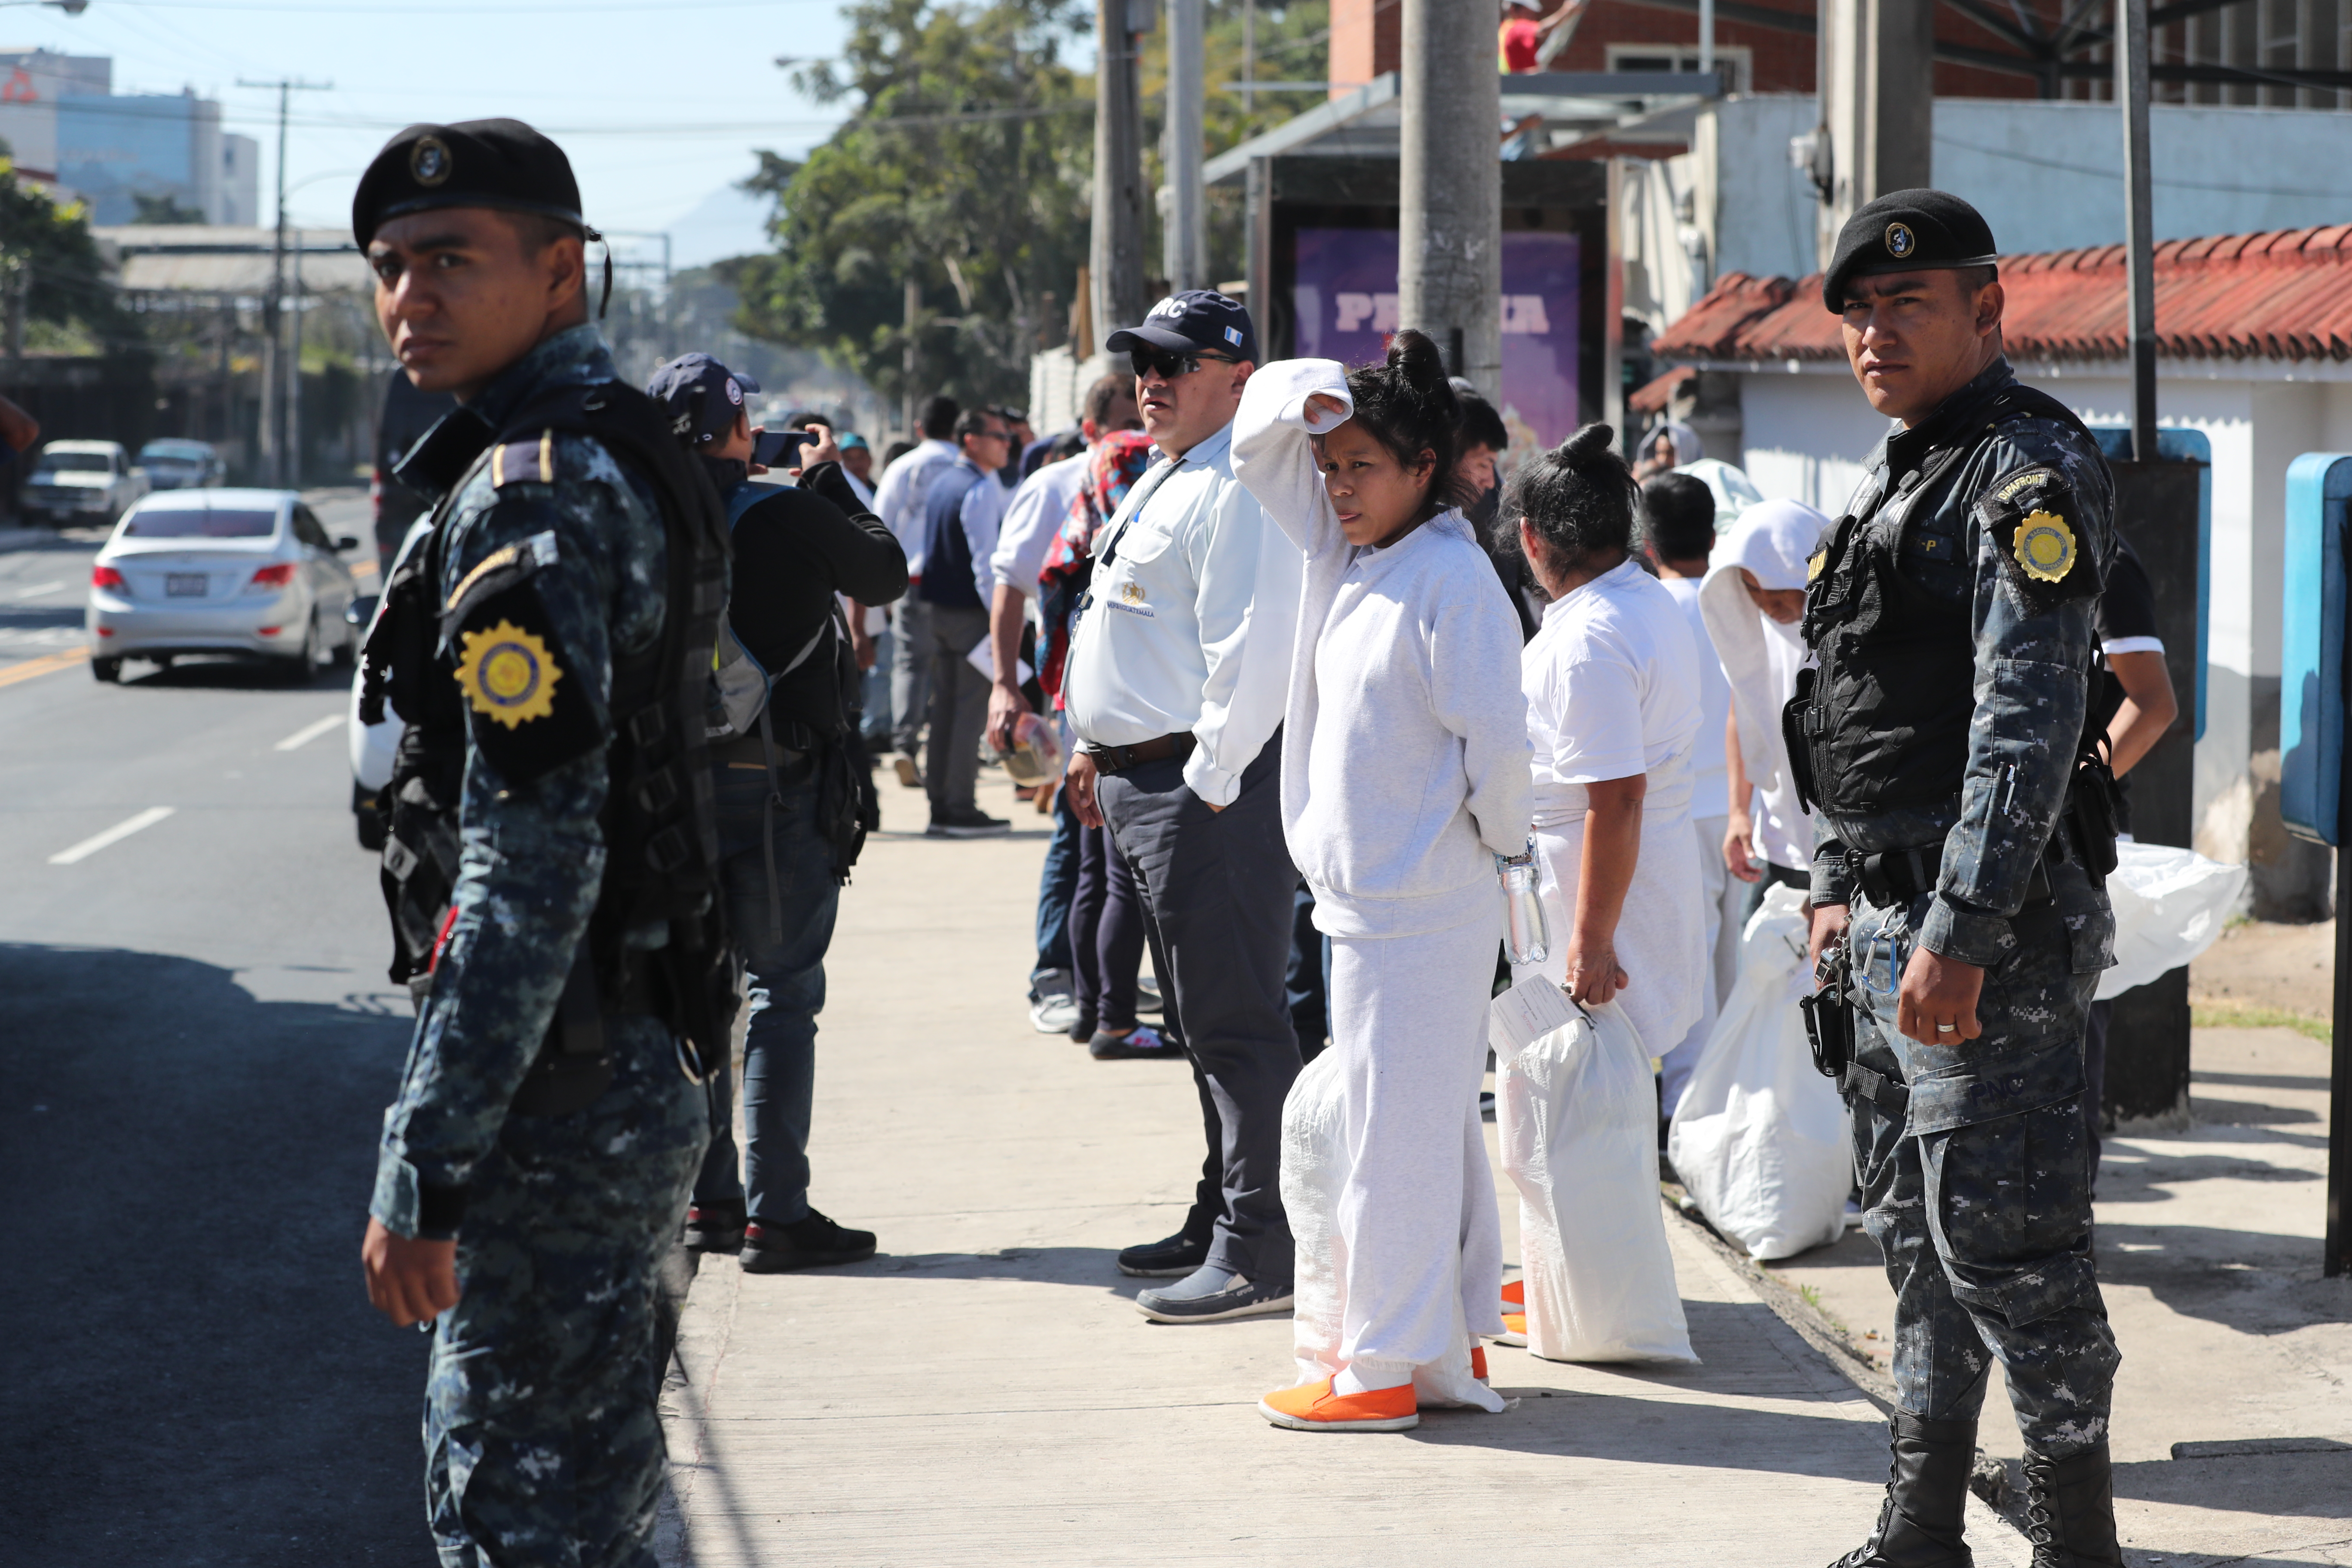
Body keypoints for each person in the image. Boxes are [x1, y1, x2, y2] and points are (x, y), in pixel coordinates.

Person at [350, 119, 734, 1565]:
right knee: (588, 1502)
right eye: (392, 267)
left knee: (520, 1519)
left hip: (558, 1098)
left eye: (452, 260)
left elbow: (531, 866)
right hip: (618, 1064)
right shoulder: (602, 445)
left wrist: (425, 1162)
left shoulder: (533, 491)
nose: (411, 297)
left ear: (561, 273)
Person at [1799, 190, 2123, 1568]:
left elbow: (2027, 725)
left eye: (1908, 305)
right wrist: (1834, 878)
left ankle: (2079, 1541)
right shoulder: (1903, 470)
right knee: (1916, 1244)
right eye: (1860, 313)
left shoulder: (2022, 470)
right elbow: (1843, 701)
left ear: (1987, 311)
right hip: (1886, 915)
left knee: (2013, 1253)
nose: (1876, 333)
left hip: (1985, 931)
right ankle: (1922, 1528)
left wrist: (1967, 928)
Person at [1232, 329, 1530, 1432]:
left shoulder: (1452, 576)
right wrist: (1321, 395)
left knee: (1391, 1147)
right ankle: (1439, 1352)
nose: (1338, 485)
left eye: (1362, 464)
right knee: (1414, 1132)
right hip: (1369, 906)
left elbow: (1502, 750)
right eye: (1331, 465)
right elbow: (1255, 443)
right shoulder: (1351, 553)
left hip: (1423, 907)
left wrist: (1493, 849)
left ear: (1424, 467)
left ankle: (1381, 1373)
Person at [1061, 289, 1305, 1320]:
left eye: (1177, 364)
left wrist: (1204, 790)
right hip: (1147, 781)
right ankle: (1222, 1216)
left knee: (1236, 1024)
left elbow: (1250, 660)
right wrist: (1094, 745)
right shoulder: (1173, 472)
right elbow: (1135, 631)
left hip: (1202, 790)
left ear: (1239, 379)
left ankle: (1260, 1246)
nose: (1150, 381)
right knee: (1203, 1025)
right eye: (1144, 364)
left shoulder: (1239, 484)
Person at [647, 353, 906, 1274]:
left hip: (674, 795)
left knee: (699, 996)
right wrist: (829, 479)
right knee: (782, 992)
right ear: (737, 431)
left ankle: (711, 1201)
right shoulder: (787, 510)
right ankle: (777, 1214)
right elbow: (884, 574)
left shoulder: (641, 520)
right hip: (780, 785)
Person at [1510, 425, 1706, 1090]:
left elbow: (1618, 797)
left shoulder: (1589, 638)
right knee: (1596, 1096)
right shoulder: (1642, 598)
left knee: (1582, 1100)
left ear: (1531, 538)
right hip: (1636, 876)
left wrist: (1593, 941)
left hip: (1601, 905)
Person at [986, 373, 1144, 1037]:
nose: (1136, 439)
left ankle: (1099, 994)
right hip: (1078, 698)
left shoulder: (1160, 477)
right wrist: (1006, 683)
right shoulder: (1058, 486)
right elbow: (1009, 584)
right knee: (1079, 848)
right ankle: (1063, 981)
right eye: (1125, 426)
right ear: (1090, 430)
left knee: (1097, 859)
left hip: (1113, 696)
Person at [1041, 422, 1173, 1058]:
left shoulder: (1086, 540)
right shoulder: (1132, 544)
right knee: (1118, 882)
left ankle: (1092, 1011)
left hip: (1083, 719)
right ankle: (1116, 1021)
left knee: (1092, 874)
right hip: (1114, 731)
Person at [2079, 536, 2177, 1188]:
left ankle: (2069, 1224)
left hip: (2075, 848)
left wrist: (2074, 788)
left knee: (2071, 1043)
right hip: (1979, 840)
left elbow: (2153, 704)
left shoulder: (2100, 557)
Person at [1642, 471, 1737, 1119]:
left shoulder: (1648, 609)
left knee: (1689, 962)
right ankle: (1734, 1099)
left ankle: (1687, 1105)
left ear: (1648, 544)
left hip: (1675, 809)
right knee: (1737, 963)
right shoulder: (1738, 602)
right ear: (1712, 537)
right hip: (1743, 807)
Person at [1703, 499, 1829, 923]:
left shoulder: (1851, 631)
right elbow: (1743, 715)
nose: (1764, 603)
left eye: (1774, 586)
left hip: (1845, 844)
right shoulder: (1760, 636)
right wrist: (1739, 813)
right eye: (1751, 590)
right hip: (1779, 835)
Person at [916, 406, 1016, 837]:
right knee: (969, 713)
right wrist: (1001, 621)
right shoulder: (978, 488)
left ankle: (942, 805)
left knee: (946, 711)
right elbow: (986, 569)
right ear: (971, 439)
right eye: (999, 436)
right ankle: (958, 808)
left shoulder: (945, 481)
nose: (1007, 444)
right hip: (970, 616)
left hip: (940, 612)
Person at [872, 395, 962, 787]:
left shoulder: (902, 467)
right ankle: (947, 754)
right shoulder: (966, 467)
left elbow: (878, 525)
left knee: (911, 665)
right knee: (952, 670)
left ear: (919, 427)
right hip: (958, 588)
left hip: (911, 583)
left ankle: (905, 746)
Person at [1499, 0, 1586, 73]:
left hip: (1509, 83)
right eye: (1528, 12)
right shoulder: (1517, 28)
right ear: (1513, 9)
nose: (1532, 17)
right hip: (1519, 84)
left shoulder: (1503, 29)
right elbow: (1542, 30)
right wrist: (1566, 10)